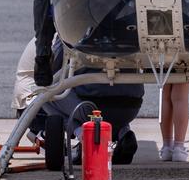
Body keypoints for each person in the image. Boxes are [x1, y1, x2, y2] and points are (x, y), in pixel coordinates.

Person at [12, 38, 141, 165]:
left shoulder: (65, 32)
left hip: (90, 108)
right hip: (131, 106)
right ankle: (123, 132)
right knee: (113, 98)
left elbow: (54, 70)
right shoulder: (134, 33)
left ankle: (81, 134)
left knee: (44, 91)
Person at [159, 81, 189, 162]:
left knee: (165, 97)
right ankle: (179, 147)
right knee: (180, 97)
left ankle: (167, 146)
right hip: (180, 68)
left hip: (161, 69)